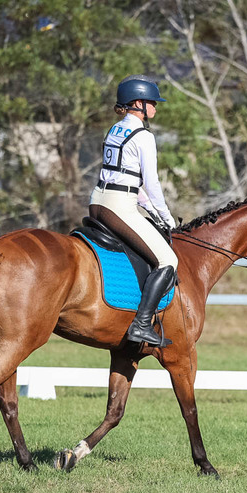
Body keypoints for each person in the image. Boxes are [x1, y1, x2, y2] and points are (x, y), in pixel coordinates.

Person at [89, 75, 178, 346]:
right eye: (152, 102)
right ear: (138, 103)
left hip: (97, 202)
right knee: (168, 261)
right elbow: (151, 184)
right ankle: (141, 325)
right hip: (119, 206)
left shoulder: (115, 130)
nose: (155, 107)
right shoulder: (144, 136)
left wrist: (150, 209)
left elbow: (126, 178)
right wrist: (166, 217)